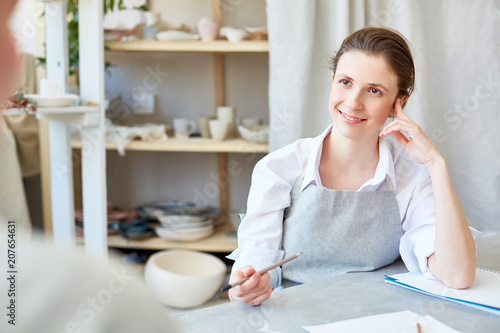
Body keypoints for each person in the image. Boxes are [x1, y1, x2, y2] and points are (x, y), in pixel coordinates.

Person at [227, 27, 479, 306]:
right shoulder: (279, 169)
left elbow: (457, 275)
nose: (353, 102)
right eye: (346, 82)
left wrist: (436, 163)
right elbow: (256, 259)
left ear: (398, 104)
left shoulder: (411, 177)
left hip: (380, 318)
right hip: (295, 316)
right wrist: (250, 283)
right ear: (333, 80)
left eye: (374, 90)